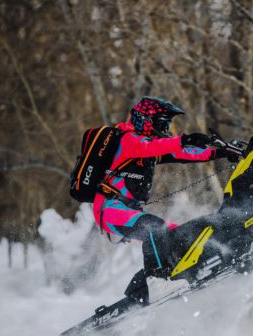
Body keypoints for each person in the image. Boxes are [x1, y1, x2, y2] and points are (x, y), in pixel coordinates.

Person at [93, 96, 236, 304]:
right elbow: (154, 147)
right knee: (155, 229)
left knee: (178, 235)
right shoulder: (128, 139)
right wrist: (184, 139)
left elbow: (185, 153)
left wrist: (221, 151)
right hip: (110, 209)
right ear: (145, 120)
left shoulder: (149, 146)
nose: (166, 128)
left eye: (167, 124)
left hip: (129, 210)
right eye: (161, 124)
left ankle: (146, 287)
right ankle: (157, 283)